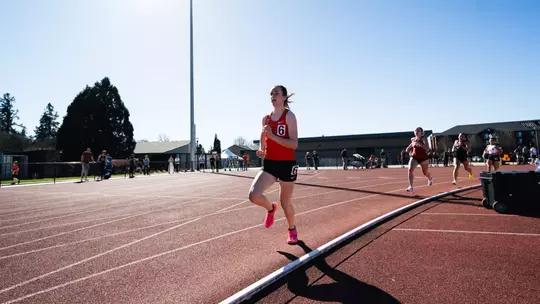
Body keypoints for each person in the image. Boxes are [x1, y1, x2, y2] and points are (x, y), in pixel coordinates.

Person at [248, 85, 299, 245]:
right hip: (270, 163)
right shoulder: (266, 118)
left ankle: (292, 229)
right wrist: (261, 148)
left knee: (285, 202)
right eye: (271, 94)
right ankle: (271, 208)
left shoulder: (289, 116)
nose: (273, 96)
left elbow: (294, 144)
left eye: (276, 93)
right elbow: (263, 134)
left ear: (284, 97)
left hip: (286, 164)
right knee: (254, 195)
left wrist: (273, 136)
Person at [405, 127, 433, 193]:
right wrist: (408, 149)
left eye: (418, 130)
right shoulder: (413, 139)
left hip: (424, 159)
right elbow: (411, 145)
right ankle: (411, 187)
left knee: (425, 172)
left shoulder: (424, 139)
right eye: (415, 130)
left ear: (421, 132)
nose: (416, 132)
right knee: (410, 170)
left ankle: (430, 178)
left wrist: (419, 142)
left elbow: (427, 148)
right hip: (414, 157)